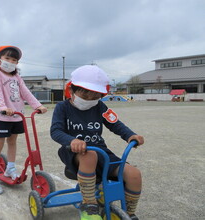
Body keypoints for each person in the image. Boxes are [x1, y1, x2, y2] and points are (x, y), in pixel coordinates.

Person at [50, 65, 144, 220]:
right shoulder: (63, 107)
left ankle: (128, 213)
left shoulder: (100, 106)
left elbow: (115, 123)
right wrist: (72, 140)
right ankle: (88, 204)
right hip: (73, 151)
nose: (90, 100)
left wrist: (131, 135)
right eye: (85, 96)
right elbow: (56, 131)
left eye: (95, 97)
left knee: (134, 174)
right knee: (89, 155)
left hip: (101, 152)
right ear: (72, 90)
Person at [0, 45, 47, 195]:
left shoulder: (16, 77)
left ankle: (10, 169)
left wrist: (38, 105)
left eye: (14, 60)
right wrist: (2, 107)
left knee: (13, 142)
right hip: (2, 115)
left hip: (16, 115)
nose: (10, 62)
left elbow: (26, 93)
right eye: (7, 58)